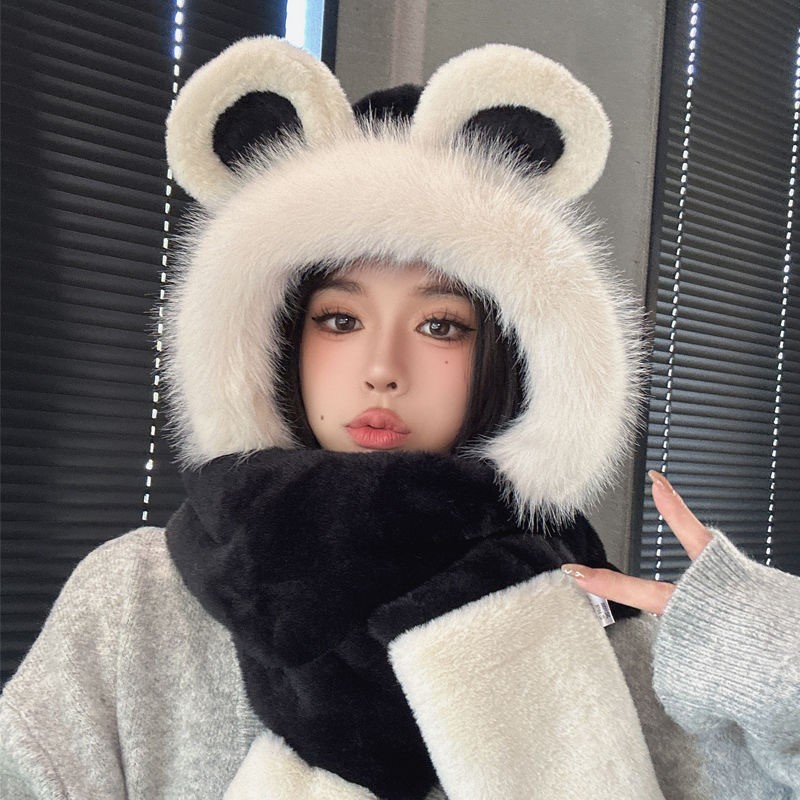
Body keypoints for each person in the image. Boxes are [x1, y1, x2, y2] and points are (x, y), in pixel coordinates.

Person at [1, 36, 798, 800]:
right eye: (340, 320)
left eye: (440, 325)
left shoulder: (602, 622)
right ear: (275, 336)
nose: (383, 366)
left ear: (513, 354)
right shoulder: (135, 605)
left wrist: (772, 655)